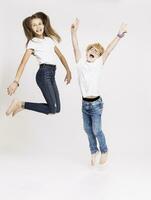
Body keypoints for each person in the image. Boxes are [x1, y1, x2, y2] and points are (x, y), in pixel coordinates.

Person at [71, 18, 127, 165]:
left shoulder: (98, 64)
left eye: (96, 51)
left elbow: (108, 49)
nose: (93, 51)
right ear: (87, 51)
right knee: (87, 130)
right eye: (91, 49)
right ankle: (93, 151)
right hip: (85, 104)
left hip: (96, 103)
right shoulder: (80, 63)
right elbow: (76, 47)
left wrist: (119, 35)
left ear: (98, 56)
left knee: (96, 130)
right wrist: (73, 32)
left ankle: (104, 150)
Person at [6, 12, 71, 116]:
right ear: (31, 28)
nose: (38, 27)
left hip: (52, 74)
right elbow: (23, 63)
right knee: (52, 109)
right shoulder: (32, 43)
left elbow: (61, 56)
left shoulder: (49, 40)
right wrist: (15, 82)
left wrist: (68, 71)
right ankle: (20, 104)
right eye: (34, 25)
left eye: (39, 23)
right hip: (43, 74)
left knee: (57, 109)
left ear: (44, 25)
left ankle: (21, 105)